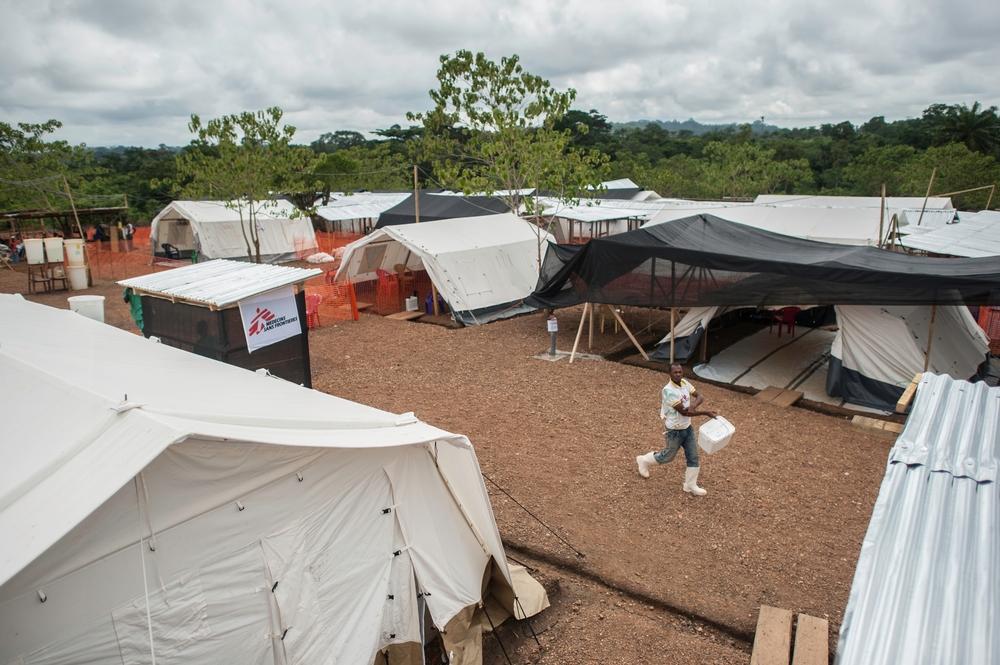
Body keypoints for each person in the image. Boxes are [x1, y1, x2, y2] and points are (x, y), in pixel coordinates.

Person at [636, 362, 718, 496]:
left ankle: (690, 485)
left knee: (693, 456)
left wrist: (692, 406)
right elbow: (684, 412)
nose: (678, 374)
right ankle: (644, 460)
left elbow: (700, 396)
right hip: (674, 430)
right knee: (667, 457)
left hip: (687, 428)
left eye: (680, 372)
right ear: (670, 373)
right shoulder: (668, 391)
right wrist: (705, 413)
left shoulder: (684, 383)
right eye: (675, 372)